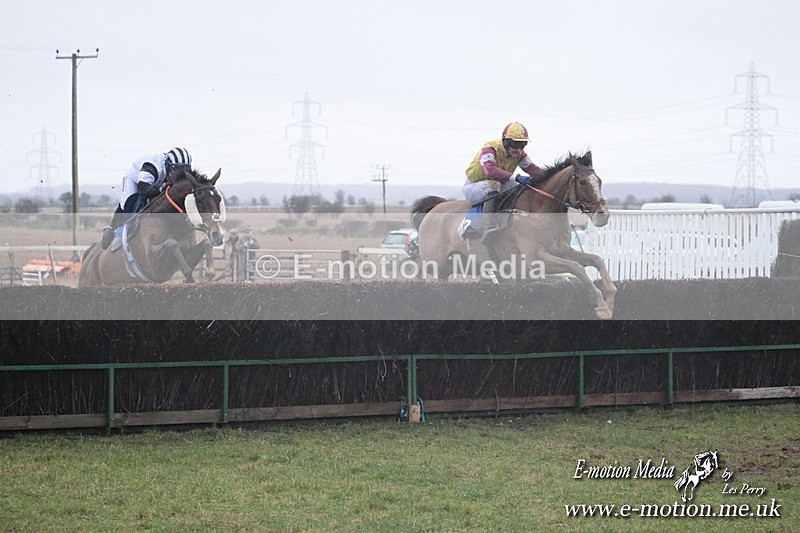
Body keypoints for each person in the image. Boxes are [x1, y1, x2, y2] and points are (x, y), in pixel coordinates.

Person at [100, 147, 193, 249]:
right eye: (175, 170)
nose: (178, 175)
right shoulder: (152, 166)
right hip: (136, 181)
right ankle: (117, 231)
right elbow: (144, 190)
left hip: (156, 181)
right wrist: (162, 187)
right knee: (128, 205)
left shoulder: (170, 168)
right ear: (168, 164)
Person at [463, 122, 543, 241]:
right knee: (494, 185)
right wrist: (516, 177)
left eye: (522, 145)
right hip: (474, 186)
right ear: (505, 142)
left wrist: (552, 175)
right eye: (515, 145)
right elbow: (490, 170)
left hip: (498, 185)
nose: (518, 150)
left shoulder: (519, 154)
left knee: (518, 187)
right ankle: (488, 226)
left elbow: (533, 170)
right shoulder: (490, 149)